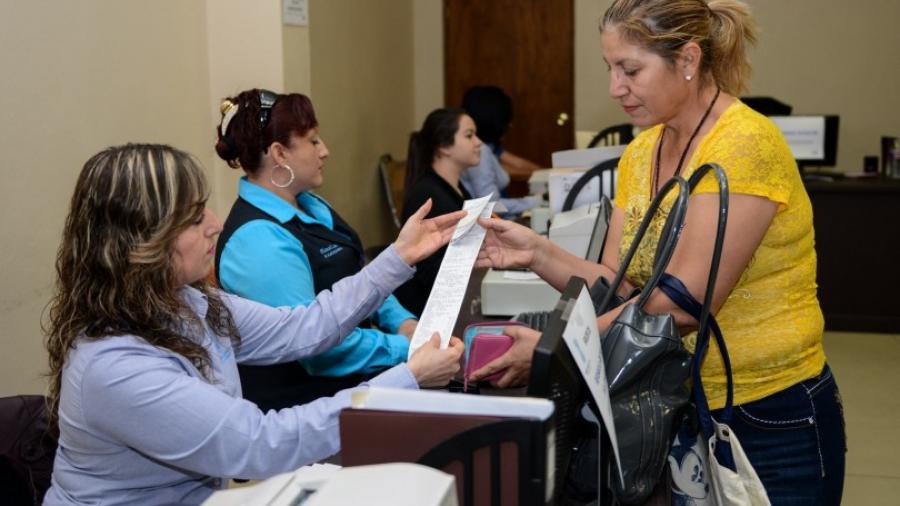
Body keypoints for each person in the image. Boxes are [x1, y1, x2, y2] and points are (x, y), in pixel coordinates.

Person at [468, 0, 845, 503]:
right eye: (610, 68)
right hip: (676, 400)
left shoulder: (745, 146)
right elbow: (621, 283)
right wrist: (536, 253)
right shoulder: (641, 152)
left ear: (688, 60)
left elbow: (684, 303)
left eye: (630, 69)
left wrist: (554, 349)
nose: (614, 87)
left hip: (767, 411)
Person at [43, 143, 465, 505]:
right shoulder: (115, 366)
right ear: (142, 243)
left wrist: (398, 257)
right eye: (193, 219)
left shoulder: (186, 301)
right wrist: (407, 379)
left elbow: (303, 328)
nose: (216, 224)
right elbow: (262, 444)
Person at [213, 89, 422, 409]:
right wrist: (405, 348)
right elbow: (316, 348)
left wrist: (404, 323)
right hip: (306, 412)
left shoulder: (310, 205)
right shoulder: (256, 240)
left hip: (357, 388)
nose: (325, 151)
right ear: (280, 154)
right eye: (312, 141)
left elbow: (361, 276)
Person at [394, 108, 482, 316]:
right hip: (430, 311)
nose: (478, 142)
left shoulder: (454, 187)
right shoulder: (428, 196)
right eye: (469, 135)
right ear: (443, 146)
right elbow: (432, 272)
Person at [459, 86, 542, 216]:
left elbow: (518, 164)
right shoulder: (480, 150)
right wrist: (534, 202)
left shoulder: (489, 148)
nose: (510, 125)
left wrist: (544, 172)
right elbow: (491, 204)